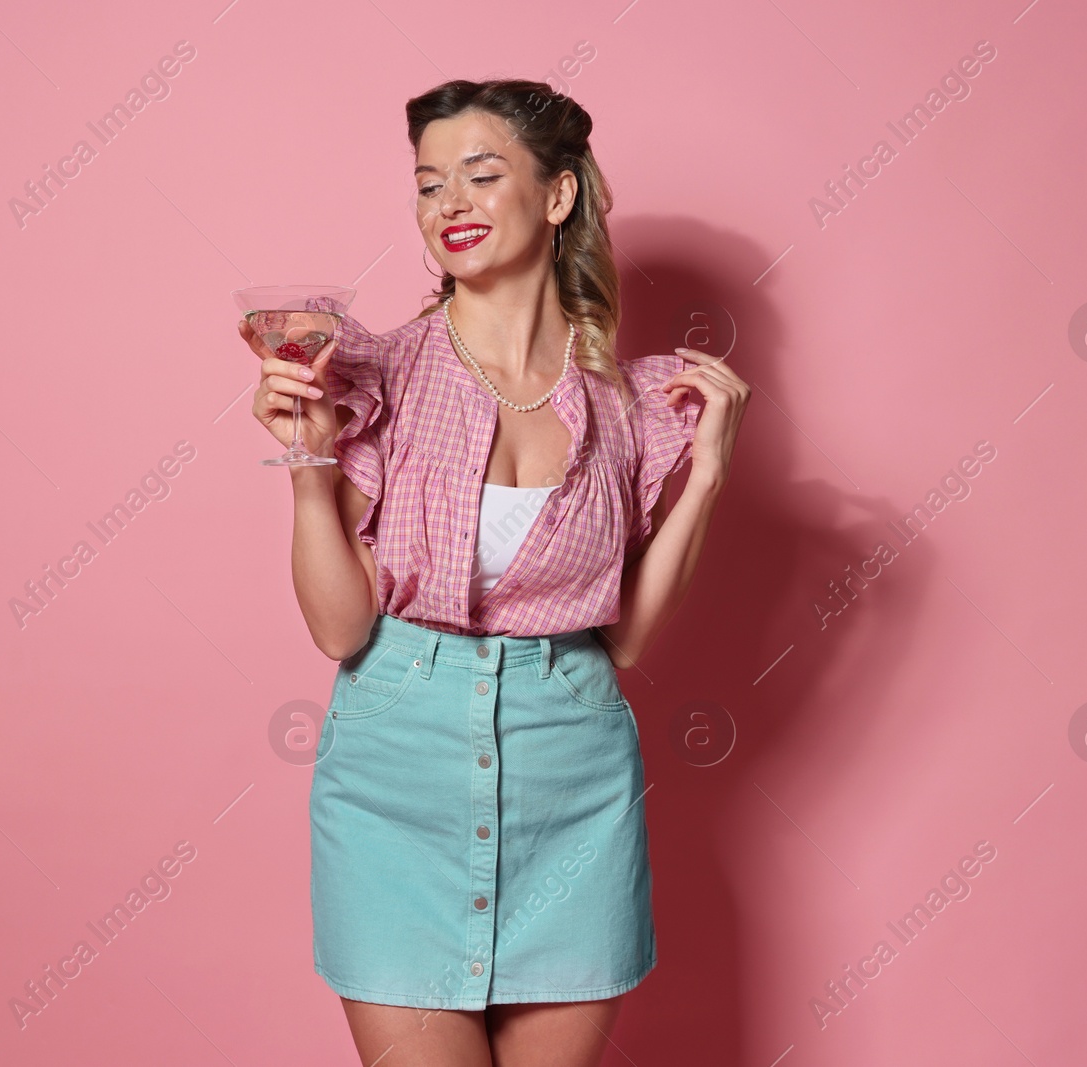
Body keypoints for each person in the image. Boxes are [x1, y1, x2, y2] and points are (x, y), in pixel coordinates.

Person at [245, 78, 750, 1067]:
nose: (450, 206)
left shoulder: (628, 405)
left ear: (558, 196)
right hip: (395, 784)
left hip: (575, 779)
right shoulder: (374, 374)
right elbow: (341, 631)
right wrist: (309, 462)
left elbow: (632, 638)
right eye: (429, 185)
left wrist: (710, 475)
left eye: (481, 175)